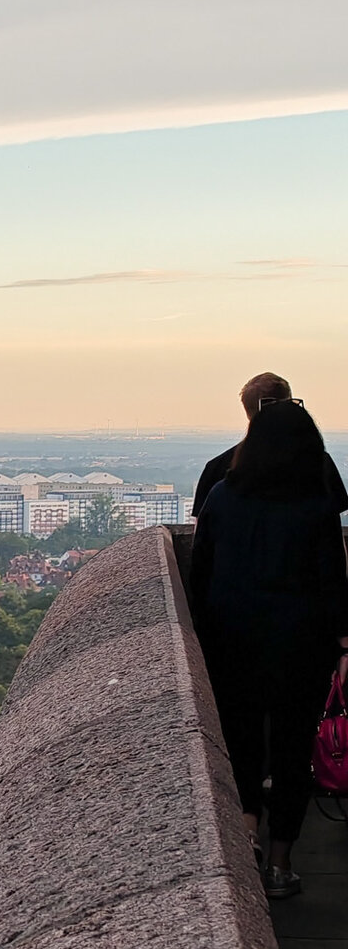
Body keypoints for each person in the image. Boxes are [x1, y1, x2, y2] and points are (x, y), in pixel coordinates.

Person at [189, 398, 348, 898]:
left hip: (233, 639)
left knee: (239, 740)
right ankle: (281, 864)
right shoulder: (317, 507)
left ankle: (246, 831)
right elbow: (332, 583)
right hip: (301, 645)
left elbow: (201, 574)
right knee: (291, 749)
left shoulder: (221, 497)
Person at [193, 371, 348, 516]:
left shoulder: (216, 469)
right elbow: (333, 533)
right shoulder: (318, 463)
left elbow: (201, 537)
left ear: (248, 410)